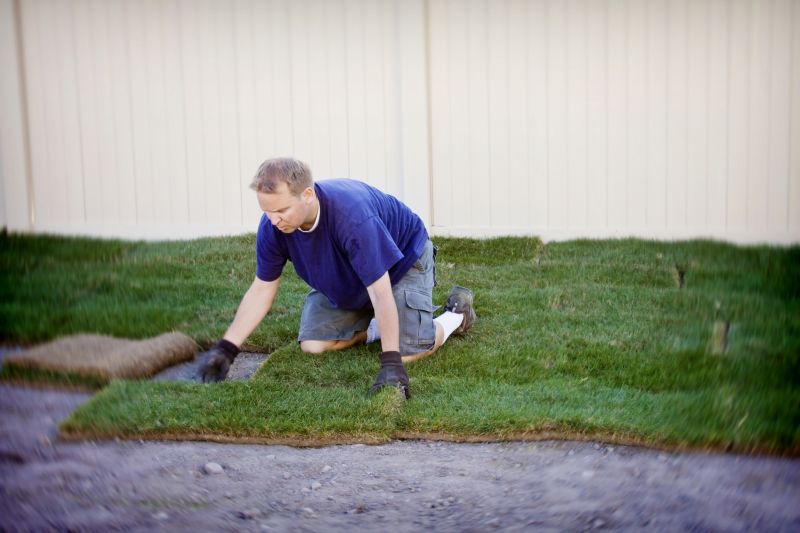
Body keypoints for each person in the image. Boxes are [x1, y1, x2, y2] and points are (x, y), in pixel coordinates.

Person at [197, 157, 476, 398]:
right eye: (267, 212)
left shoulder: (352, 217)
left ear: (307, 195)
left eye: (281, 210)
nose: (273, 220)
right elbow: (262, 289)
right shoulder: (273, 228)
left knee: (407, 353)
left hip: (400, 261)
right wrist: (226, 349)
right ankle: (382, 325)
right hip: (350, 272)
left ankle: (456, 316)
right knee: (313, 345)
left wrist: (391, 362)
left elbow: (380, 291)